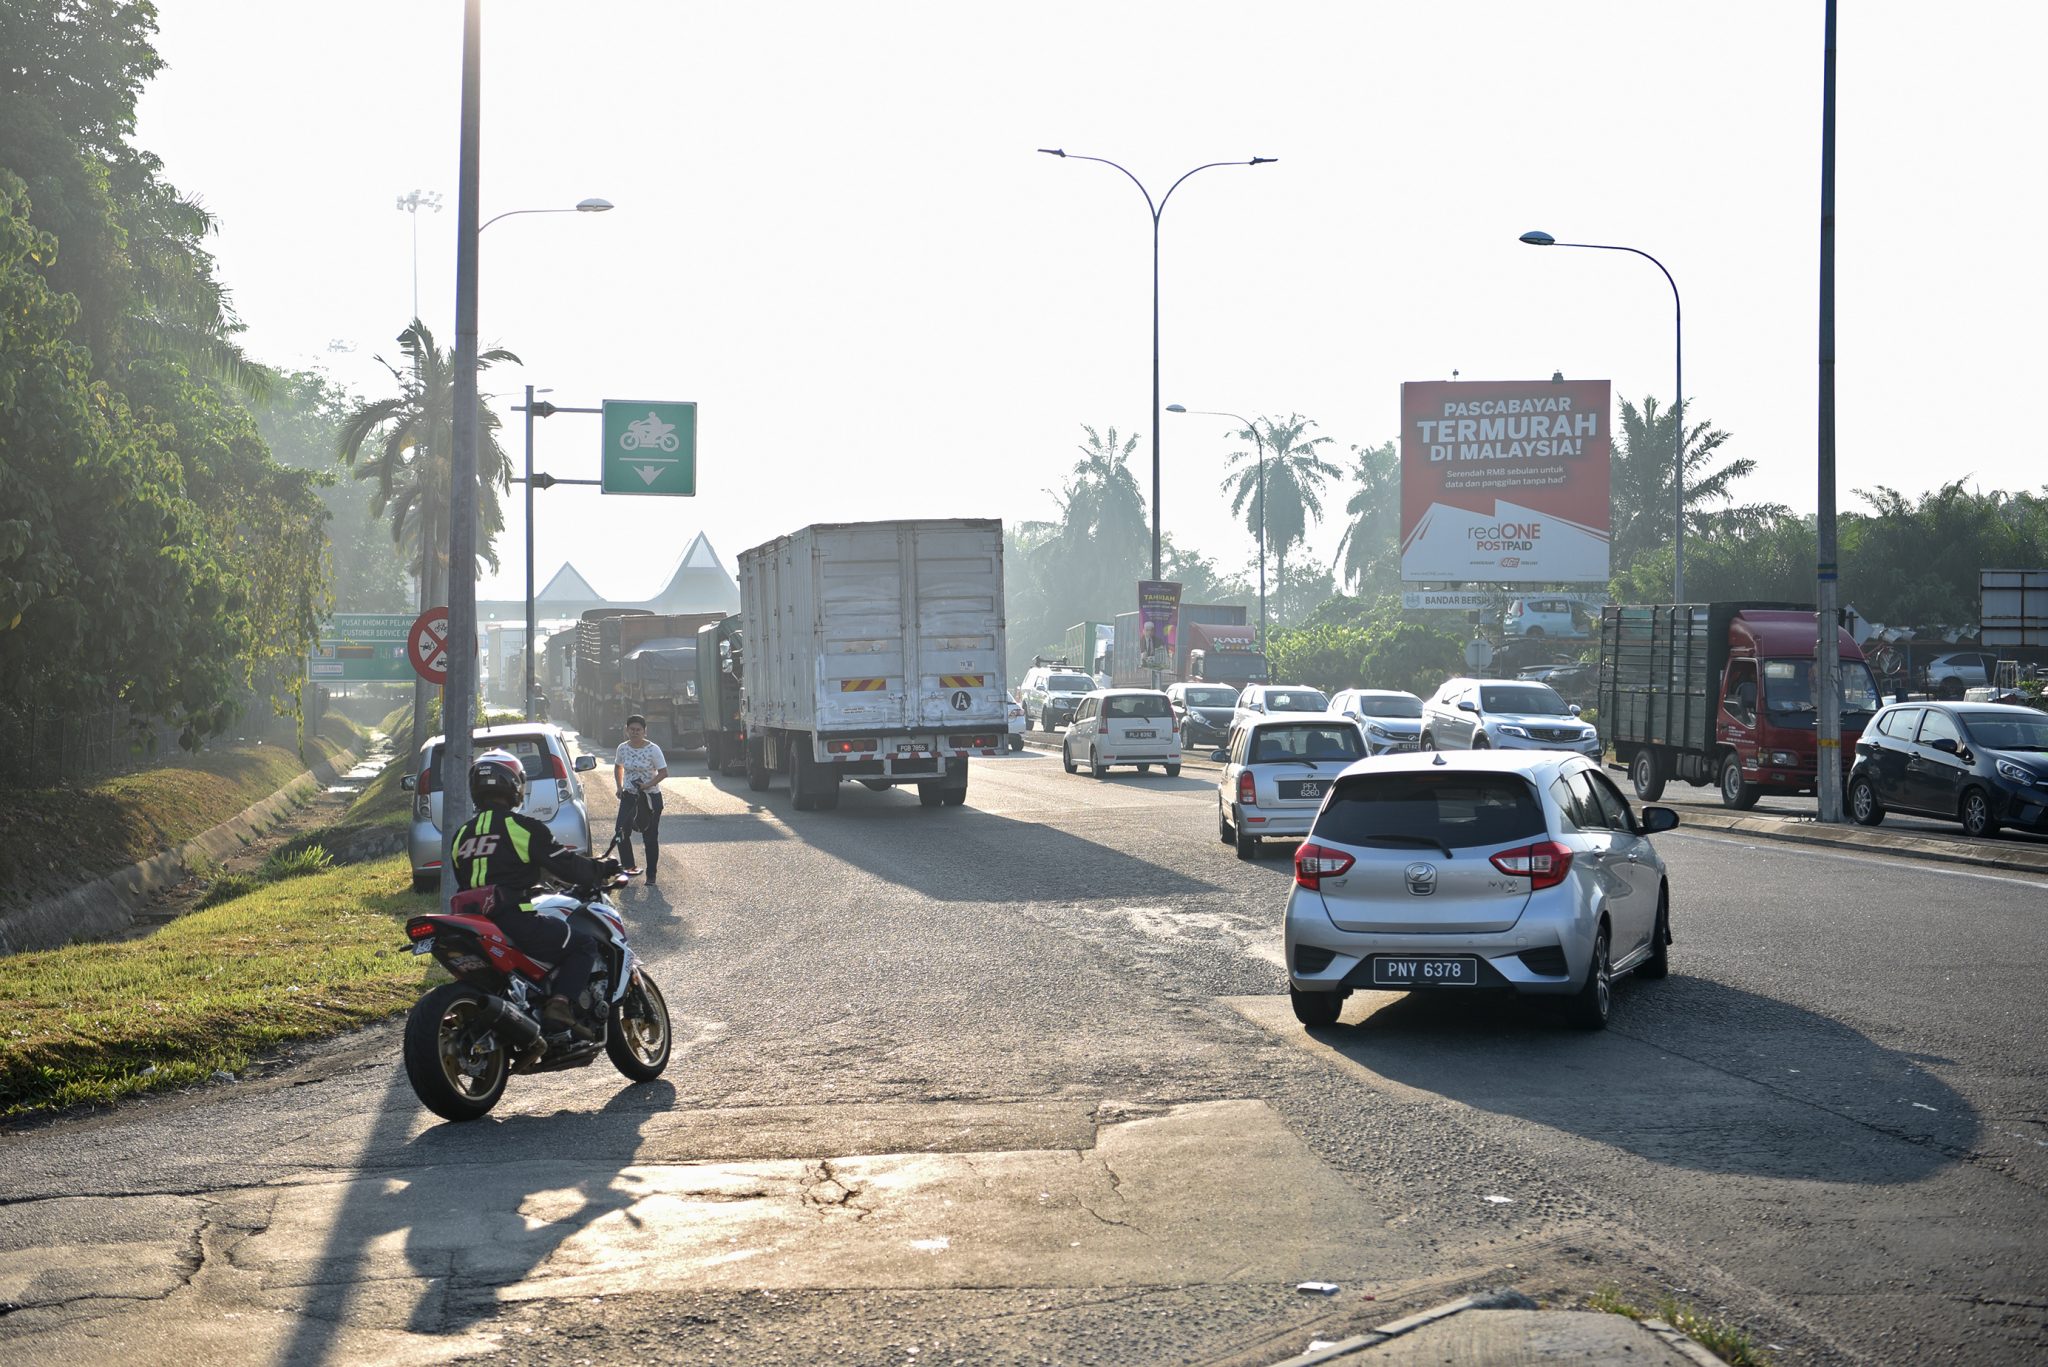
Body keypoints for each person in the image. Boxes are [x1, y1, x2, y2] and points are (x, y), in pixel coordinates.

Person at [449, 749, 620, 1040]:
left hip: (473, 924)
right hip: (516, 921)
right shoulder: (523, 828)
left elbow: (468, 878)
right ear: (514, 784)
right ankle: (560, 1003)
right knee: (583, 945)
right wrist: (601, 869)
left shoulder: (461, 835)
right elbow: (566, 866)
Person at [613, 714, 669, 886]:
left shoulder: (653, 749)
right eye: (632, 730)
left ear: (645, 731)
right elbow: (618, 767)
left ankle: (651, 875)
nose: (635, 733)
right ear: (626, 730)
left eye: (638, 730)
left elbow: (663, 772)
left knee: (650, 836)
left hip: (650, 797)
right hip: (629, 796)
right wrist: (619, 787)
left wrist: (647, 785)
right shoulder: (622, 748)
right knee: (621, 832)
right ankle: (629, 867)